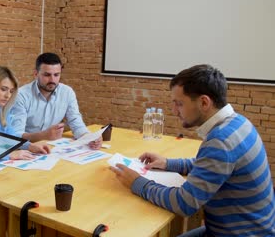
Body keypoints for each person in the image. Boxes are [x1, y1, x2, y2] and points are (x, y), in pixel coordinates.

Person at [110, 64, 275, 236]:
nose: (174, 110)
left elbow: (184, 203)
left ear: (204, 102)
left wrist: (136, 182)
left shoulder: (220, 141)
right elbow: (209, 164)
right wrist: (168, 163)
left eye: (179, 104)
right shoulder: (238, 123)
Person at [12, 52, 102, 149]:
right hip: (27, 148)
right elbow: (16, 135)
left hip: (52, 148)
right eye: (47, 75)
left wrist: (88, 137)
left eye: (56, 75)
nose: (52, 80)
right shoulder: (21, 96)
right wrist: (43, 135)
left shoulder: (67, 92)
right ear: (36, 74)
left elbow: (76, 123)